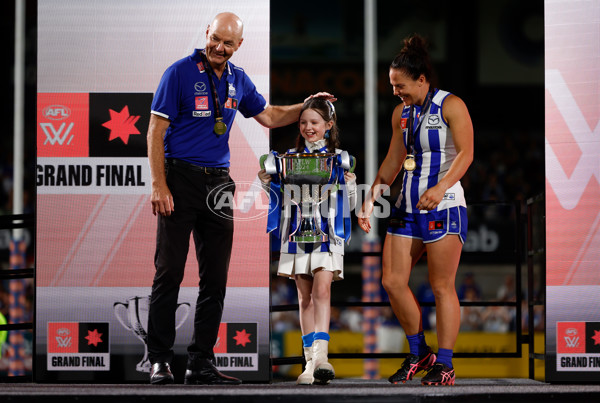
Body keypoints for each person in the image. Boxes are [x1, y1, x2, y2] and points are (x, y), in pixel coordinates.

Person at [146, 12, 335, 385]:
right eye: (215, 39)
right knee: (169, 272)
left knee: (214, 278)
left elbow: (267, 115)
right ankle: (160, 361)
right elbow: (155, 130)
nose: (219, 47)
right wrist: (158, 184)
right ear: (207, 33)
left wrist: (307, 104)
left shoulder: (238, 79)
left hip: (218, 185)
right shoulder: (179, 73)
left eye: (227, 43)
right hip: (179, 179)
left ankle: (200, 361)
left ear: (238, 46)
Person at [358, 34, 473, 386]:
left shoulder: (451, 105)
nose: (396, 91)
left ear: (421, 79)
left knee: (441, 287)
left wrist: (440, 188)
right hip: (406, 206)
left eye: (400, 85)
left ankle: (447, 363)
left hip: (445, 205)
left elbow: (467, 154)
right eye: (393, 85)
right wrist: (372, 195)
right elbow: (394, 160)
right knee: (391, 281)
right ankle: (420, 352)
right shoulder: (401, 114)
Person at [258, 98, 357, 385]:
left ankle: (322, 356)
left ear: (329, 125)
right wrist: (266, 182)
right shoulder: (287, 158)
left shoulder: (340, 158)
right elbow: (278, 198)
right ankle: (310, 364)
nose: (308, 127)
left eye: (314, 122)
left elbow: (349, 205)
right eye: (303, 122)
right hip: (296, 232)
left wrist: (350, 185)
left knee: (322, 291)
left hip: (328, 232)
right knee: (303, 297)